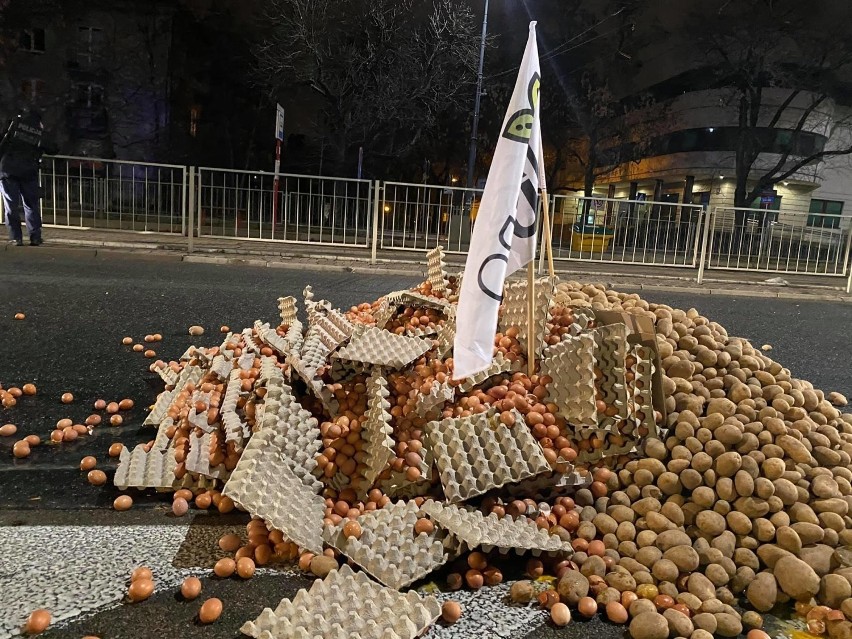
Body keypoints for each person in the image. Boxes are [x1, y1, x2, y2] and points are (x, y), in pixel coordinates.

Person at [0, 108, 49, 246]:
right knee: (31, 205)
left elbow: (2, 143)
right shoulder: (38, 131)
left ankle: (16, 238)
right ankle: (35, 237)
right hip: (28, 172)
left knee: (11, 206)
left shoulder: (14, 125)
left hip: (8, 170)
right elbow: (53, 148)